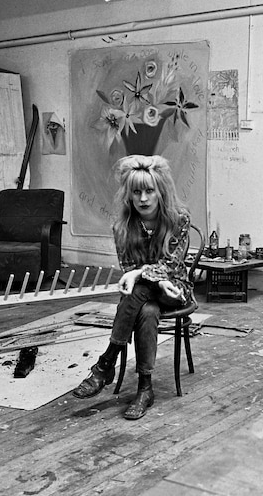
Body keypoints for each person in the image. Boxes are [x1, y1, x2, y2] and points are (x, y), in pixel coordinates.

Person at [72, 155, 195, 420]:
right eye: (136, 191)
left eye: (149, 191)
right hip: (143, 296)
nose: (143, 198)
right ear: (129, 194)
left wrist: (143, 273)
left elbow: (171, 266)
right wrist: (141, 275)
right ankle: (145, 389)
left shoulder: (179, 219)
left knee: (141, 291)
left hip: (174, 290)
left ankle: (106, 362)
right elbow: (128, 269)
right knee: (147, 310)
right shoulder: (122, 228)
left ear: (161, 191)